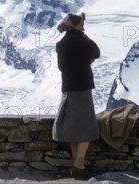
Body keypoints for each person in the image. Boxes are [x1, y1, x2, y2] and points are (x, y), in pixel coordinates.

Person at [52, 12, 101, 176]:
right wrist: (87, 39)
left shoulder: (61, 44)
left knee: (73, 127)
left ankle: (76, 165)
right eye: (81, 23)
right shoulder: (81, 40)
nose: (84, 25)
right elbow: (96, 52)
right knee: (86, 125)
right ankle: (79, 166)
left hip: (68, 87)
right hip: (83, 88)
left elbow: (62, 66)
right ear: (75, 25)